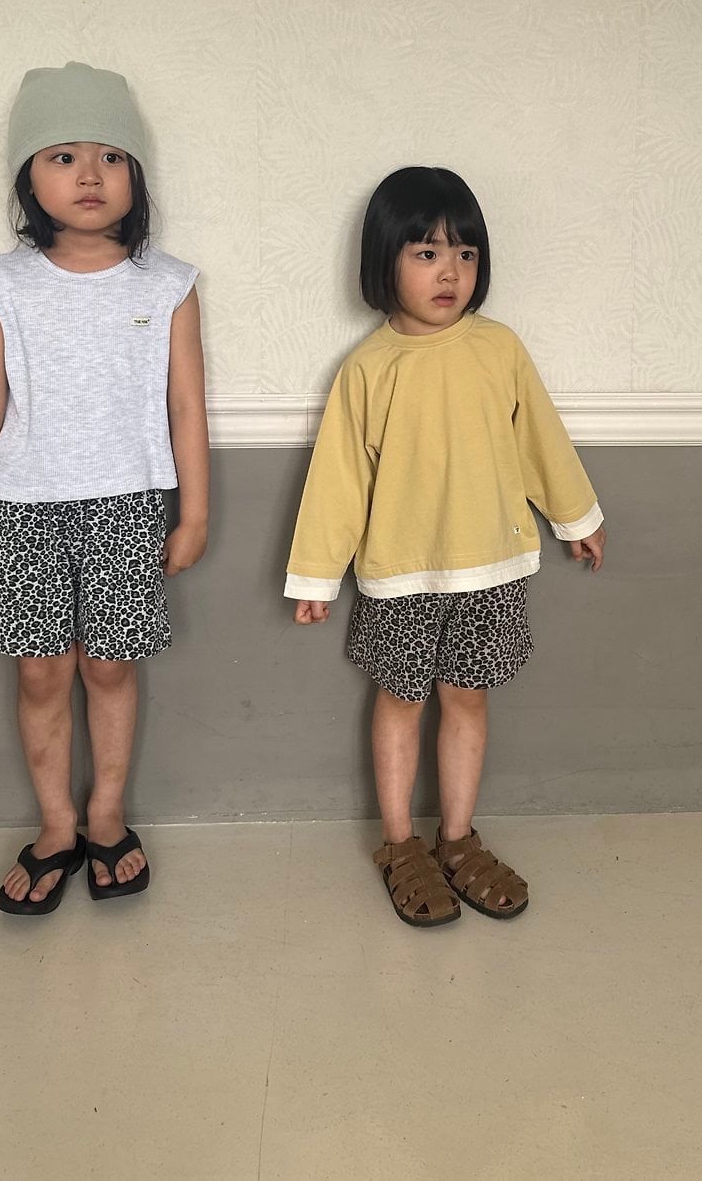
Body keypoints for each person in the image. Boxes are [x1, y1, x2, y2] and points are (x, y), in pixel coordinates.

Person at [288, 166, 605, 926]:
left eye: (464, 254)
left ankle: (458, 840)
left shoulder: (499, 349)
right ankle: (400, 845)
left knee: (468, 697)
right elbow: (339, 480)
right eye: (427, 253)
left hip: (490, 566)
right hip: (400, 575)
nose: (449, 272)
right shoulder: (368, 369)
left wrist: (577, 517)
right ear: (386, 259)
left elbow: (540, 441)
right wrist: (317, 576)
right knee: (400, 700)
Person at [0, 61, 207, 913]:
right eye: (63, 155)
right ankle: (56, 824)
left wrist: (195, 512)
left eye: (111, 156)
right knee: (41, 672)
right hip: (22, 509)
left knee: (110, 665)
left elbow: (186, 407)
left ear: (136, 176)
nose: (90, 174)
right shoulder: (5, 285)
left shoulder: (167, 284)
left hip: (128, 505)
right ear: (30, 177)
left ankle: (106, 815)